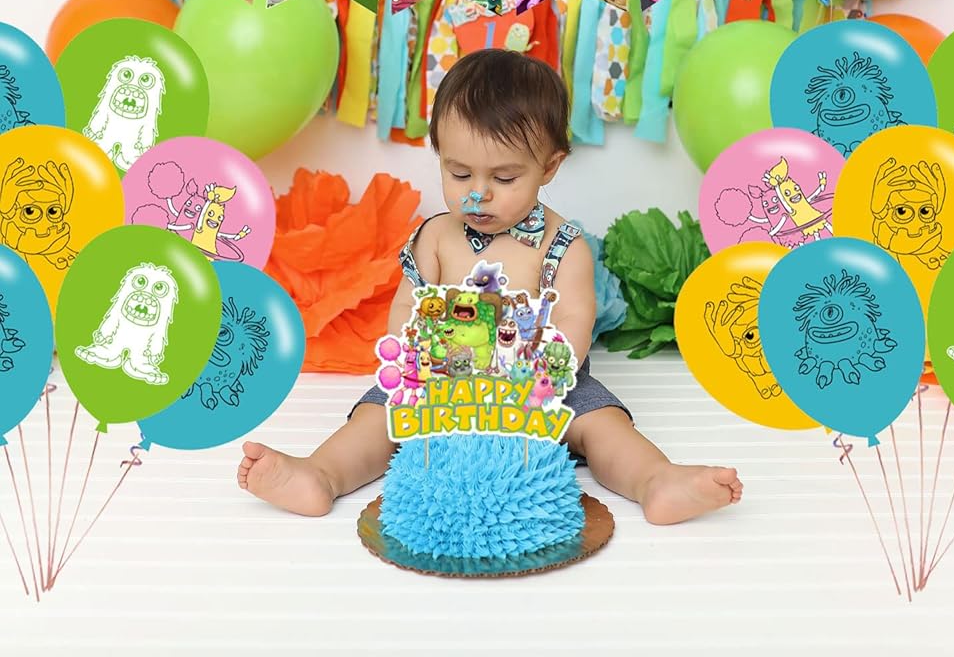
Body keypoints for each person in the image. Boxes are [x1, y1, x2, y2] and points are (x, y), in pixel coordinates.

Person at [239, 50, 742, 524]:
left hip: (541, 384)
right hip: (440, 379)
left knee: (603, 422)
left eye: (503, 179)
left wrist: (542, 374)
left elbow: (575, 319)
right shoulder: (435, 236)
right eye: (459, 173)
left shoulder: (562, 244)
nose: (477, 194)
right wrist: (411, 358)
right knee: (375, 416)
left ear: (549, 166)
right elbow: (408, 304)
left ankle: (656, 481)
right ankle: (321, 475)